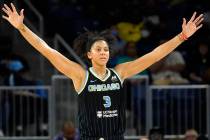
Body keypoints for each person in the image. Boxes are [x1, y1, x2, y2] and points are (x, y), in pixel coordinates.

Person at [1, 3, 204, 140]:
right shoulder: (80, 75)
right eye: (98, 49)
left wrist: (181, 37)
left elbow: (154, 55)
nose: (103, 53)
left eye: (106, 49)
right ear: (89, 54)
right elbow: (47, 50)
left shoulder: (120, 72)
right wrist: (22, 28)